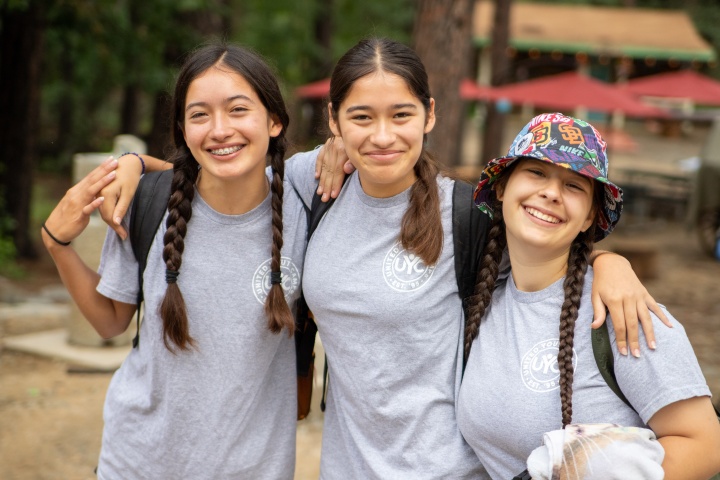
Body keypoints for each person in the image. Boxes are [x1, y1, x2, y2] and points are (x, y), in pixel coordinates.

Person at [98, 39, 667, 478]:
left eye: (401, 115)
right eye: (362, 117)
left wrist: (609, 264)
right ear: (335, 122)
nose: (382, 135)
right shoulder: (311, 186)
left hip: (447, 467)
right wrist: (130, 162)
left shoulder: (468, 214)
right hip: (346, 466)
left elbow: (548, 233)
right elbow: (216, 166)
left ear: (430, 115)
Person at [41, 44, 307, 479]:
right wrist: (57, 245)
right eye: (200, 115)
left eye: (238, 109)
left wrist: (135, 160)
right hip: (140, 461)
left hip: (256, 467)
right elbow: (110, 321)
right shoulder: (148, 202)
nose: (220, 129)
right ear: (183, 129)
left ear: (274, 120)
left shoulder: (305, 201)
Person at [457, 113, 720, 479]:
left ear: (588, 219)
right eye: (536, 173)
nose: (551, 193)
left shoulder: (623, 313)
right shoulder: (483, 290)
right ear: (501, 188)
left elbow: (706, 445)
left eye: (574, 186)